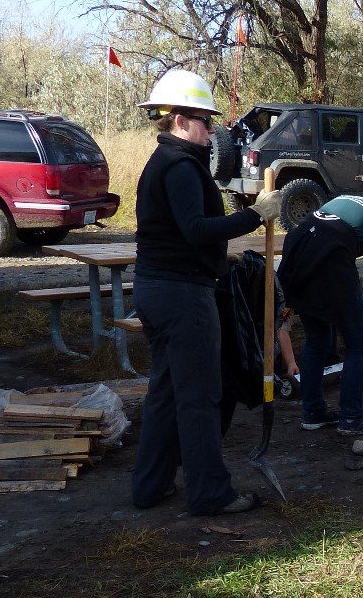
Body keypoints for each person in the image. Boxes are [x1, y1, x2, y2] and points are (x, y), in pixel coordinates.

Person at [130, 69, 281, 516]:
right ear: (178, 120)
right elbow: (195, 230)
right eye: (204, 120)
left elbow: (180, 233)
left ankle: (150, 485)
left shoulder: (168, 163)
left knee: (167, 392)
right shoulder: (178, 166)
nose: (212, 129)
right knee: (199, 397)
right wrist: (255, 215)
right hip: (181, 298)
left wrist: (221, 258)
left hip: (160, 289)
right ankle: (210, 493)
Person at [277, 181, 363, 435]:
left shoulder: (353, 200)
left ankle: (313, 413)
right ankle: (351, 418)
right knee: (360, 342)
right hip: (329, 259)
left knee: (316, 340)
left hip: (296, 253)